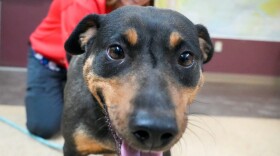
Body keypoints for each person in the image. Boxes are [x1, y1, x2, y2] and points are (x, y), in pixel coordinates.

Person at [25, 0, 154, 139]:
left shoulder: (142, 12)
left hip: (102, 64)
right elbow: (76, 56)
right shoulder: (79, 3)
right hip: (49, 62)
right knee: (43, 127)